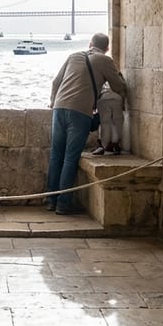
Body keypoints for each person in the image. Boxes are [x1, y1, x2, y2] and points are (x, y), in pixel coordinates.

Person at [47, 33, 127, 214]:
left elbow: (55, 82)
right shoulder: (105, 61)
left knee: (55, 155)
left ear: (90, 44)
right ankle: (63, 203)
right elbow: (118, 87)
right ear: (106, 48)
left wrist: (53, 103)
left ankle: (51, 200)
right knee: (70, 158)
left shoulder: (74, 56)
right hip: (80, 112)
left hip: (59, 109)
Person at [92, 84, 126, 156]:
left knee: (105, 123)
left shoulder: (100, 74)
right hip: (117, 97)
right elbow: (121, 88)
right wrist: (122, 104)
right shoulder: (117, 75)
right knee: (117, 122)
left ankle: (103, 146)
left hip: (103, 98)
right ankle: (115, 145)